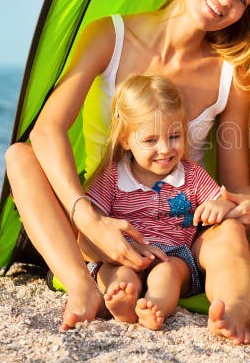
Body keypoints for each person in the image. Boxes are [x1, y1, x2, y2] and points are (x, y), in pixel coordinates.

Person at [4, 0, 250, 343]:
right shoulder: (110, 35)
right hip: (105, 211)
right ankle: (81, 287)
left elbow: (239, 188)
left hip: (180, 227)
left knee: (230, 235)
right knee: (20, 156)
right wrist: (90, 220)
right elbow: (47, 129)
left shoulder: (229, 75)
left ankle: (231, 311)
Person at [87, 74, 235, 330]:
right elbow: (94, 223)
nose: (165, 149)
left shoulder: (191, 174)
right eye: (151, 140)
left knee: (167, 275)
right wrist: (122, 250)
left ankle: (154, 306)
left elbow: (224, 202)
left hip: (173, 255)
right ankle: (123, 300)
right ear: (126, 140)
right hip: (123, 253)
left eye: (174, 136)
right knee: (120, 275)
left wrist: (220, 206)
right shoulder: (112, 177)